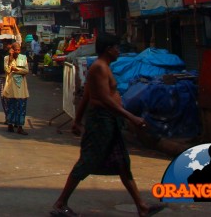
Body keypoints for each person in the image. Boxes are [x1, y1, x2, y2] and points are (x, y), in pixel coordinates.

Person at [51, 34, 163, 217]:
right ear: (108, 49)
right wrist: (131, 117)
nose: (118, 51)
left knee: (122, 163)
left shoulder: (103, 67)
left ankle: (142, 206)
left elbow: (87, 94)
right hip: (101, 122)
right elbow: (104, 99)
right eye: (116, 47)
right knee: (87, 161)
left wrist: (77, 120)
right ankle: (60, 203)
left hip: (109, 120)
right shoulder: (99, 68)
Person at [2, 41, 30, 135]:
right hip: (11, 86)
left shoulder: (23, 58)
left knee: (21, 106)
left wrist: (16, 70)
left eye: (19, 50)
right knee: (11, 106)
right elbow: (7, 70)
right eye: (15, 50)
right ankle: (10, 124)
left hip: (21, 87)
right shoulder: (7, 58)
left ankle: (20, 127)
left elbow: (26, 71)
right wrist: (10, 58)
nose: (17, 51)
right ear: (12, 50)